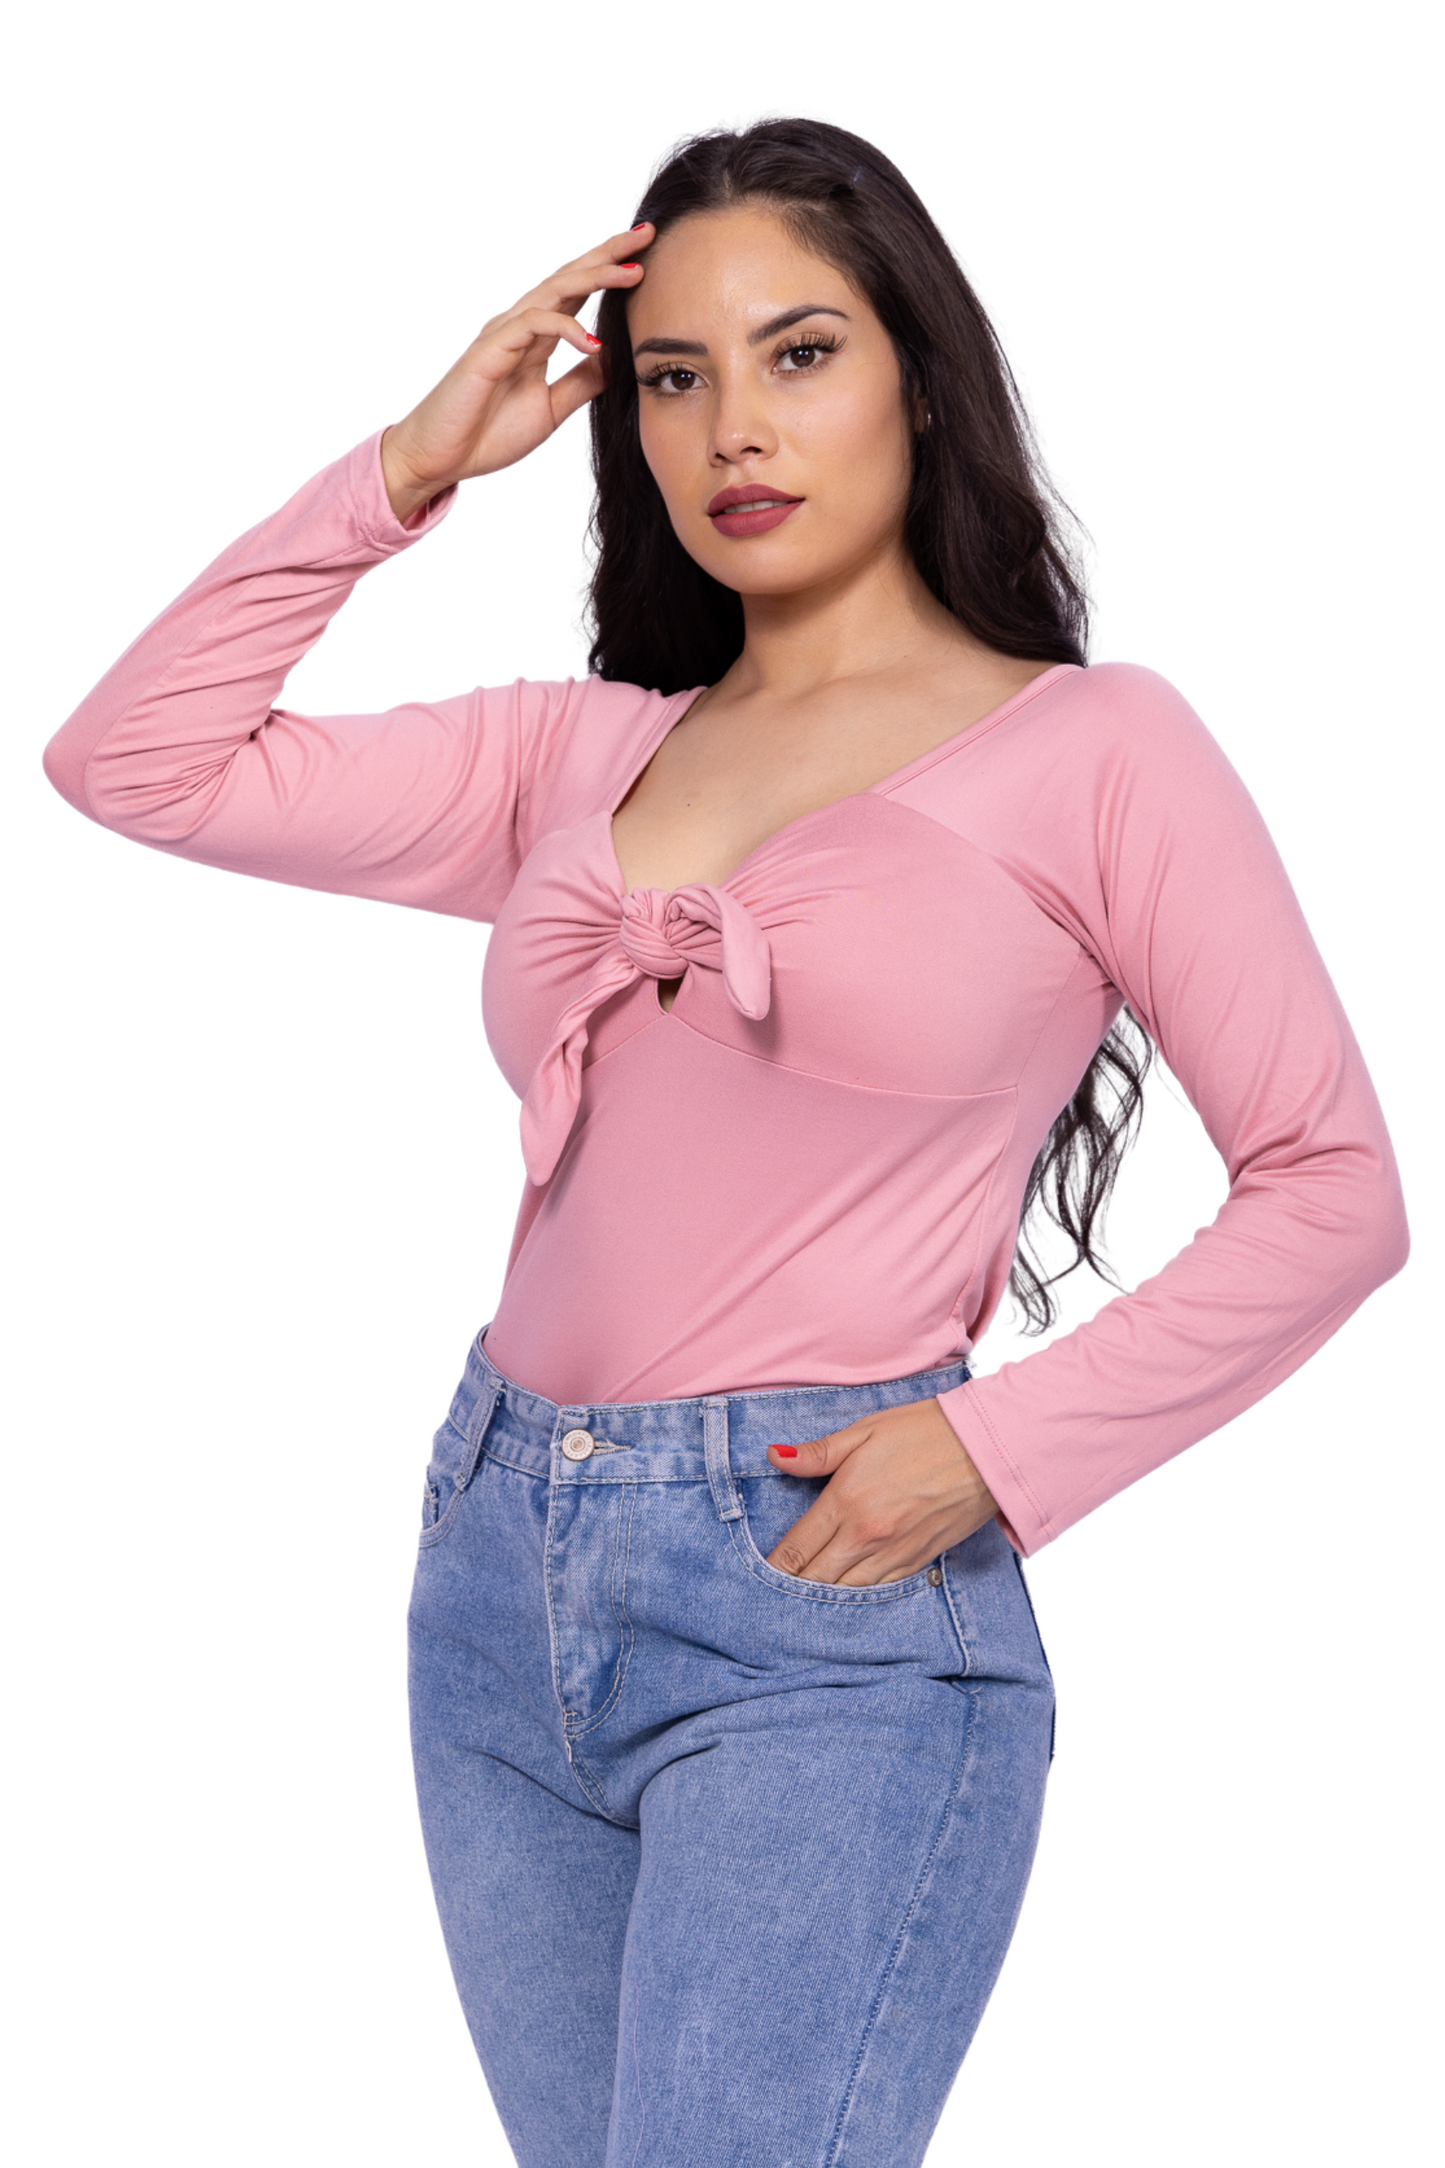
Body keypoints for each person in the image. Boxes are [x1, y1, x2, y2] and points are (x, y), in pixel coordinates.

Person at [43, 116, 1407, 2168]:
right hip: (497, 1571)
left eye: (798, 354)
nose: (728, 429)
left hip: (819, 1592)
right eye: (672, 376)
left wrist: (994, 1448)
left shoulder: (1095, 747)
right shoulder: (583, 752)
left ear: (918, 380)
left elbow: (1334, 1184)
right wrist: (411, 464)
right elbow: (131, 761)